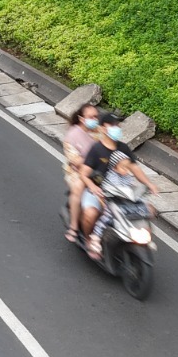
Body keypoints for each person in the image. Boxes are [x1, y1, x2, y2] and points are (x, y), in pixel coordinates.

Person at [78, 113, 160, 259]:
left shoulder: (123, 148)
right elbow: (84, 174)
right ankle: (90, 239)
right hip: (98, 191)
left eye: (117, 125)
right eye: (112, 125)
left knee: (148, 210)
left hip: (121, 193)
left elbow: (135, 169)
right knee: (91, 214)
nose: (116, 128)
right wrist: (93, 187)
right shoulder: (96, 149)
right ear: (102, 129)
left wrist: (149, 184)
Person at [63, 103, 102, 244]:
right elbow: (75, 161)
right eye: (90, 117)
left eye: (96, 116)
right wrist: (94, 156)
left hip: (99, 169)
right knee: (79, 187)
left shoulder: (100, 131)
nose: (94, 119)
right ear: (81, 118)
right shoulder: (72, 136)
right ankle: (73, 227)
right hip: (77, 172)